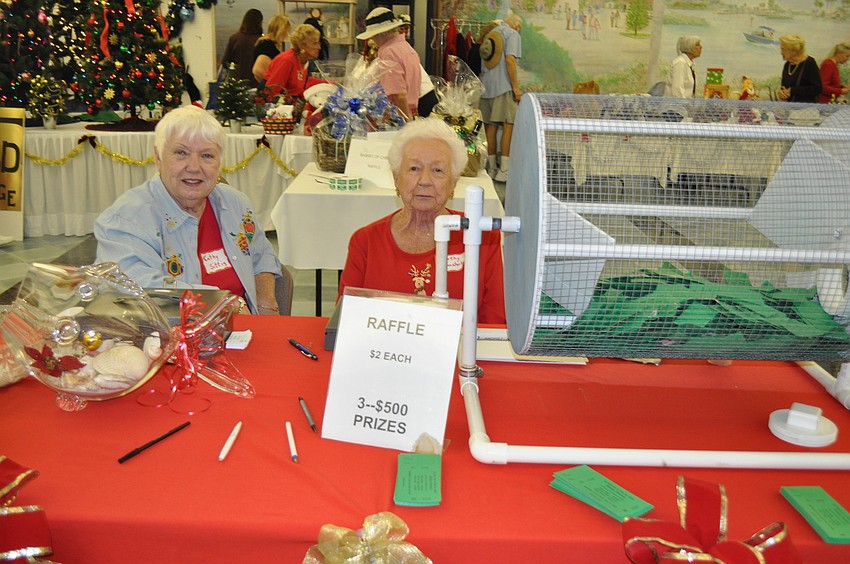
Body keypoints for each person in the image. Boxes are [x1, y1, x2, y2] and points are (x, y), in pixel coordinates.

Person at [94, 105, 281, 315]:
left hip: (243, 336)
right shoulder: (126, 219)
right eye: (181, 153)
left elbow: (262, 255)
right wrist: (227, 305)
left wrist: (266, 308)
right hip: (164, 342)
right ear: (158, 158)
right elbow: (137, 290)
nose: (194, 167)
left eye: (207, 156)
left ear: (220, 163)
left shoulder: (235, 204)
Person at [338, 119, 506, 324]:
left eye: (438, 170)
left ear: (453, 182)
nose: (425, 181)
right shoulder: (365, 242)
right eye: (414, 168)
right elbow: (346, 322)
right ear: (395, 179)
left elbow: (495, 323)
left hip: (460, 354)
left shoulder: (481, 237)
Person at [356, 7, 421, 121]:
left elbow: (399, 95)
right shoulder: (407, 48)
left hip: (397, 116)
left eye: (374, 36)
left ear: (381, 34)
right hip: (412, 111)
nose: (374, 40)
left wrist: (406, 122)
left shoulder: (389, 52)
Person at [479, 13, 522, 183]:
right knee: (508, 124)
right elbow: (510, 60)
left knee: (490, 127)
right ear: (516, 26)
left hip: (486, 88)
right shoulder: (513, 34)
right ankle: (504, 170)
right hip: (503, 87)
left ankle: (491, 168)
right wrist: (516, 88)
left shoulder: (490, 33)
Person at [263, 23, 322, 101]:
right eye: (315, 43)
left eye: (318, 43)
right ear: (301, 46)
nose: (319, 47)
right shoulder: (287, 60)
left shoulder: (303, 61)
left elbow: (298, 88)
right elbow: (270, 93)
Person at [398, 14, 437, 118]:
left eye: (407, 28)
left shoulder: (394, 53)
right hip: (426, 93)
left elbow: (401, 92)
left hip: (423, 96)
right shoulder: (405, 50)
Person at [221, 8, 264, 88]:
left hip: (236, 86)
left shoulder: (234, 38)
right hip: (255, 85)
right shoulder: (262, 41)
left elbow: (225, 63)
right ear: (259, 23)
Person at [778, 34, 822, 103]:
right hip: (790, 108)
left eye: (783, 49)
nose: (781, 53)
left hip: (806, 109)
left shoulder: (809, 63)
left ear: (793, 51)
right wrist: (782, 93)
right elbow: (784, 87)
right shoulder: (787, 64)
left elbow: (817, 88)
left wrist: (793, 90)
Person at [252, 14, 291, 84]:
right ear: (281, 31)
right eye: (286, 32)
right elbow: (257, 70)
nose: (286, 35)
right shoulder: (267, 47)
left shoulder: (264, 43)